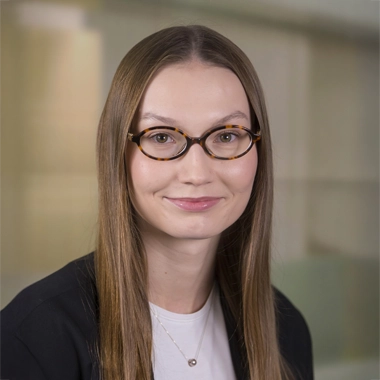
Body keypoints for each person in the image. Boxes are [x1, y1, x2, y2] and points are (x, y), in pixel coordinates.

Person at [0, 25, 313, 380]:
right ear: (118, 153)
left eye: (227, 135)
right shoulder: (34, 337)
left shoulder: (285, 332)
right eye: (161, 136)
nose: (197, 172)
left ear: (259, 150)